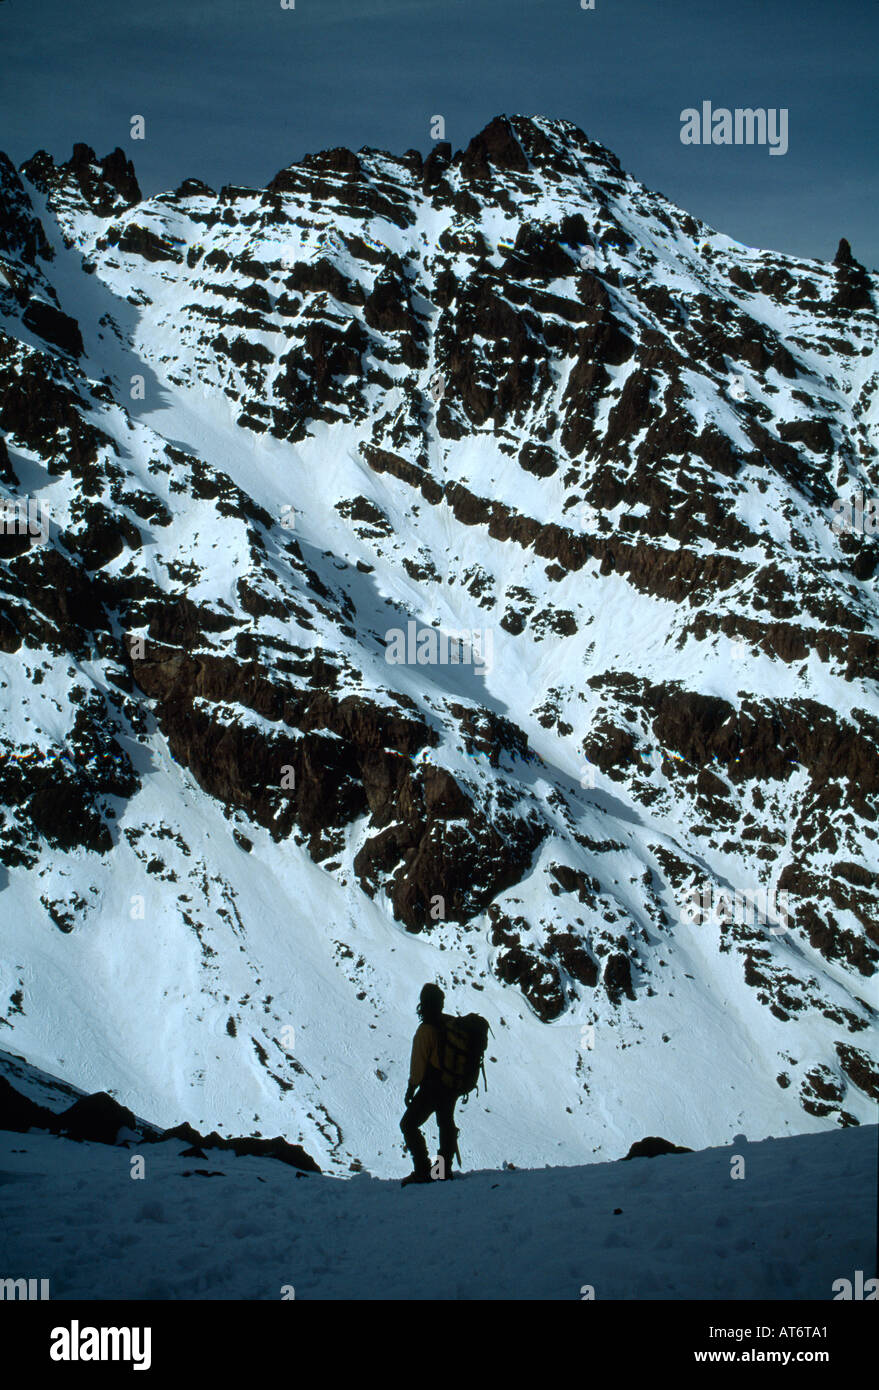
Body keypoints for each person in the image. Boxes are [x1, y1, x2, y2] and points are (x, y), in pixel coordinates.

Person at [400, 983, 458, 1186]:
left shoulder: (426, 1030)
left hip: (432, 1087)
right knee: (446, 1125)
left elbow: (418, 1064)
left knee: (408, 1124)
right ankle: (442, 1170)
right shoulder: (449, 1023)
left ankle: (423, 1171)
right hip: (451, 1085)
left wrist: (411, 1087)